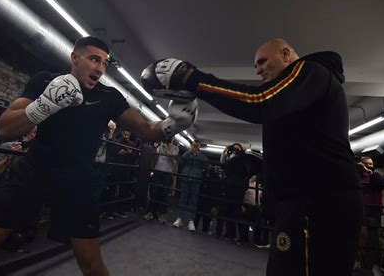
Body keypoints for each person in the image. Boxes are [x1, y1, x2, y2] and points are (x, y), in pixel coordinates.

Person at [0, 36, 198, 276]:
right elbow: (5, 129)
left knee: (93, 267)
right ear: (75, 58)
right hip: (33, 172)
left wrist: (172, 125)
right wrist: (43, 105)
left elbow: (145, 130)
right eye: (94, 59)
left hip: (77, 181)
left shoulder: (109, 97)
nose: (100, 68)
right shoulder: (45, 81)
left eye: (105, 63)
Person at [141, 38, 363, 275]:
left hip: (321, 201)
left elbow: (259, 102)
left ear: (286, 54)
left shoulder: (311, 70)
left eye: (263, 61)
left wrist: (193, 79)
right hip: (303, 201)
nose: (257, 70)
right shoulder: (294, 98)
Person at [357, 156, 384, 269]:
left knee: (374, 241)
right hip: (360, 213)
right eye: (366, 164)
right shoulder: (356, 177)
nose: (369, 166)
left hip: (373, 213)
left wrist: (369, 171)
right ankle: (361, 264)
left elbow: (382, 183)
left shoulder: (375, 176)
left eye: (371, 164)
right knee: (360, 240)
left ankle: (375, 266)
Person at [173, 140, 209, 231]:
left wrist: (198, 155)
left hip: (196, 180)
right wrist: (189, 152)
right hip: (185, 178)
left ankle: (191, 221)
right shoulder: (187, 153)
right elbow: (181, 161)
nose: (195, 147)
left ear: (199, 146)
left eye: (197, 145)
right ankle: (179, 218)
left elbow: (206, 165)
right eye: (193, 145)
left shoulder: (202, 156)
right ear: (191, 145)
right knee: (183, 199)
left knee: (193, 201)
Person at [144, 137, 179, 223]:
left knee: (164, 194)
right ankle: (150, 212)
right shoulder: (160, 146)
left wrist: (166, 148)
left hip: (167, 173)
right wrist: (156, 150)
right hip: (158, 171)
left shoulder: (175, 148)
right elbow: (156, 158)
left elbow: (172, 158)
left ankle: (162, 214)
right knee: (154, 192)